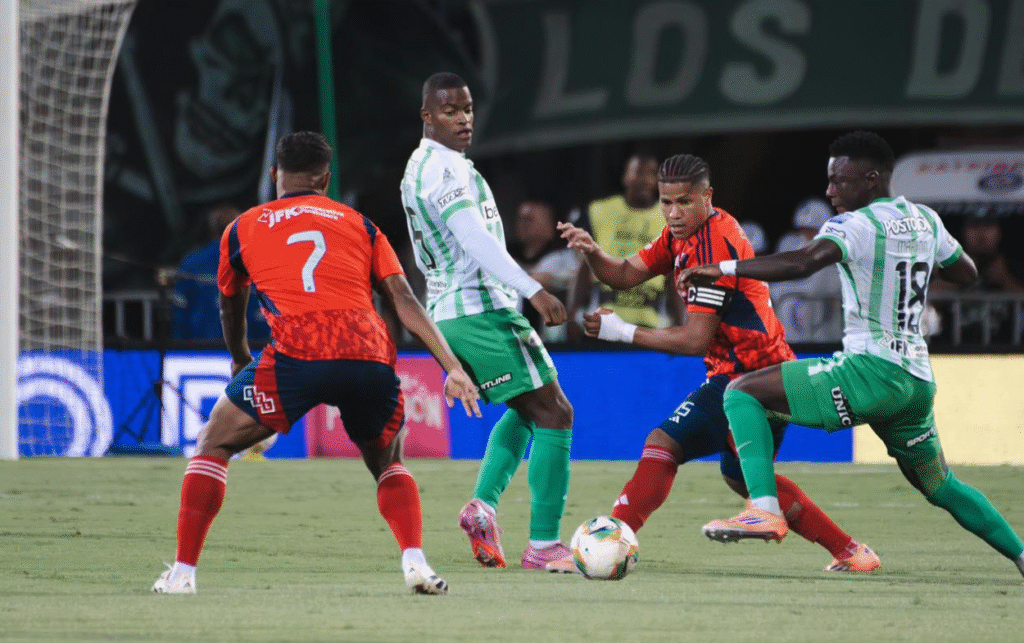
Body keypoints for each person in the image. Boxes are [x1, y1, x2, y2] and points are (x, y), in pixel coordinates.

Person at [681, 131, 1024, 579]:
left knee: (743, 393)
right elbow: (967, 272)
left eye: (839, 181)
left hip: (869, 371)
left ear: (871, 179)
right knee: (942, 486)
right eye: (829, 180)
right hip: (915, 383)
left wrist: (721, 267)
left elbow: (801, 263)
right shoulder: (925, 219)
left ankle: (764, 509)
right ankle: (1020, 555)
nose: (830, 191)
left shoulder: (854, 226)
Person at [152, 131, 481, 596]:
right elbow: (403, 296)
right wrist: (451, 366)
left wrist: (241, 358)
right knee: (388, 460)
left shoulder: (243, 228)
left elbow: (230, 304)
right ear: (325, 179)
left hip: (298, 351)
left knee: (213, 443)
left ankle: (183, 574)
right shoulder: (362, 225)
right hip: (367, 351)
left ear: (274, 176)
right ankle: (416, 564)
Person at [555, 153, 880, 574]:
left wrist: (623, 332)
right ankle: (851, 551)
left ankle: (612, 539)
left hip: (751, 378)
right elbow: (624, 273)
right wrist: (592, 252)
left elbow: (694, 339)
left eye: (683, 202)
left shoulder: (713, 245)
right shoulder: (681, 235)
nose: (672, 213)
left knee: (664, 442)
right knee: (741, 479)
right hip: (756, 374)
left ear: (707, 197)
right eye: (666, 202)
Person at [400, 72, 575, 571]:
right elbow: (474, 238)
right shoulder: (446, 170)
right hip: (480, 309)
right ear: (427, 116)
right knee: (555, 413)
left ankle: (482, 508)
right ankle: (544, 546)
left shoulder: (419, 166)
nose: (463, 119)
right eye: (450, 110)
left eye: (468, 109)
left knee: (527, 410)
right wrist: (534, 290)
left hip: (451, 313)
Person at [568, 152, 684, 342]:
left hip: (649, 325)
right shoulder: (599, 211)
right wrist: (571, 315)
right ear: (625, 177)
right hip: (602, 320)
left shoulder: (670, 220)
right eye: (639, 172)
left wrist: (682, 322)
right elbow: (583, 266)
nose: (646, 179)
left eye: (652, 174)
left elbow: (674, 276)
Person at [171, 203, 270, 342]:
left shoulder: (190, 263)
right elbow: (262, 320)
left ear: (212, 230)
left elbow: (179, 319)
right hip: (246, 353)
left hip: (198, 353)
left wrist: (179, 351)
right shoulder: (256, 265)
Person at [769, 198, 842, 343]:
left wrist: (783, 289)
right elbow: (776, 282)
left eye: (812, 230)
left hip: (826, 331)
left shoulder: (835, 246)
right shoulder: (790, 243)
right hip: (794, 329)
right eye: (803, 229)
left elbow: (816, 287)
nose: (807, 234)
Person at [509, 199, 581, 343]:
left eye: (529, 219)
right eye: (520, 218)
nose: (522, 224)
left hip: (553, 339)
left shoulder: (564, 256)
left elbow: (579, 278)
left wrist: (553, 281)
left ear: (549, 226)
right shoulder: (506, 254)